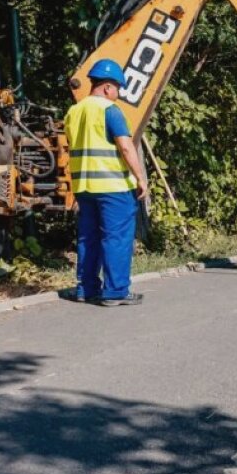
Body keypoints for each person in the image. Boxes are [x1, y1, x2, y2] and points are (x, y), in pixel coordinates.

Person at [64, 59, 149, 306]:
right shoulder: (109, 111)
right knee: (116, 238)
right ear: (108, 87)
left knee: (88, 238)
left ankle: (86, 289)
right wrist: (141, 178)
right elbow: (125, 145)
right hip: (114, 187)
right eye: (117, 89)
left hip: (84, 187)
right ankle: (115, 292)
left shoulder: (74, 111)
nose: (118, 95)